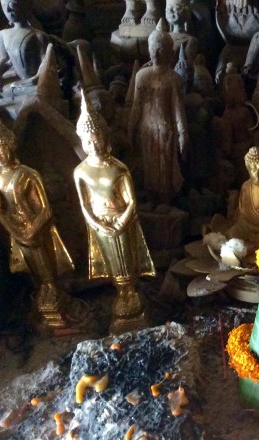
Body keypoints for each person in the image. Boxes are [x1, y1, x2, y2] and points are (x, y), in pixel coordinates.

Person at [75, 92, 155, 333]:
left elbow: (131, 202)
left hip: (122, 221)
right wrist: (98, 224)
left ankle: (131, 293)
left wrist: (120, 222)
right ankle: (122, 294)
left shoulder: (119, 169)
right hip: (100, 224)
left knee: (128, 261)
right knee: (112, 264)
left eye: (97, 139)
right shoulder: (81, 172)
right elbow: (84, 205)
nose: (94, 145)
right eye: (88, 142)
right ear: (83, 142)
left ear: (105, 138)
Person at [0, 114, 74, 327]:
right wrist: (14, 231)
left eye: (2, 150)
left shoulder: (28, 174)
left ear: (11, 148)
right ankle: (43, 290)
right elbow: (0, 211)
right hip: (16, 229)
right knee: (30, 266)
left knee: (44, 262)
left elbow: (46, 209)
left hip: (37, 227)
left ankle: (52, 288)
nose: (0, 156)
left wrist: (33, 229)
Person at [129, 19, 188, 205]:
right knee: (151, 165)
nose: (155, 53)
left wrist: (182, 133)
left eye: (159, 49)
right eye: (153, 48)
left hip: (162, 128)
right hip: (149, 128)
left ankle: (164, 201)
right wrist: (131, 128)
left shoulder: (172, 79)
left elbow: (177, 109)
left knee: (164, 166)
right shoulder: (143, 76)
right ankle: (153, 198)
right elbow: (136, 106)